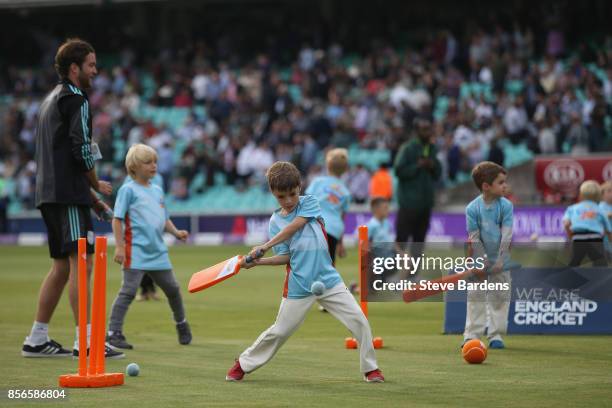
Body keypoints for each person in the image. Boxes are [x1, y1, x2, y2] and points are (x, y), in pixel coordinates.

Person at [225, 161, 384, 383]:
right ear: (272, 193)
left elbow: (296, 225)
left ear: (299, 187)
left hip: (328, 280)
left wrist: (264, 246)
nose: (289, 201)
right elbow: (286, 257)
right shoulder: (274, 221)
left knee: (359, 320)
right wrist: (259, 262)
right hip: (299, 284)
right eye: (282, 196)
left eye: (292, 193)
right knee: (280, 331)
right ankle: (242, 364)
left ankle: (371, 369)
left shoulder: (309, 203)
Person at [22, 38, 123, 359]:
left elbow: (61, 154)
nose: (96, 71)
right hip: (67, 196)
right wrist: (95, 184)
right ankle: (87, 341)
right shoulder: (76, 99)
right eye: (91, 65)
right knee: (84, 262)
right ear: (74, 68)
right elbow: (81, 151)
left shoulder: (49, 100)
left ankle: (37, 339)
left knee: (61, 268)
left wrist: (92, 200)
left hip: (49, 195)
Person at [107, 144, 192, 349]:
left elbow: (164, 218)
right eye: (148, 162)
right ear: (134, 167)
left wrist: (176, 232)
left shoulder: (157, 190)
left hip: (158, 251)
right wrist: (119, 247)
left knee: (173, 289)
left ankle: (181, 324)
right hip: (135, 251)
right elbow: (117, 220)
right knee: (128, 291)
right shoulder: (127, 190)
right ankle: (113, 333)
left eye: (155, 162)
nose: (153, 166)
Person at [463, 161, 513, 350]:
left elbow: (507, 234)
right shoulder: (472, 208)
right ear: (486, 186)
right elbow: (474, 237)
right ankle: (471, 335)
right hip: (478, 257)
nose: (505, 186)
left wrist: (500, 259)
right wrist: (481, 260)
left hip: (501, 258)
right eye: (500, 183)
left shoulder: (506, 206)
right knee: (475, 295)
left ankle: (495, 334)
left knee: (500, 295)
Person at [393, 117, 441, 263]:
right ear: (417, 131)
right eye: (424, 129)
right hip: (408, 204)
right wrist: (417, 166)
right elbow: (398, 170)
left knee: (419, 241)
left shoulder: (432, 149)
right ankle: (389, 273)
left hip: (425, 204)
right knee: (401, 240)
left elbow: (438, 174)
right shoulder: (408, 148)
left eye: (429, 129)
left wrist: (432, 165)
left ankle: (413, 276)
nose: (428, 132)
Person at [305, 148, 351, 264]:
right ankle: (332, 282)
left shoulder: (317, 182)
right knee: (329, 263)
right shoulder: (345, 192)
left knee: (312, 262)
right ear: (345, 169)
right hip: (334, 230)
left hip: (316, 226)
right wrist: (341, 243)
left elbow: (306, 202)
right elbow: (342, 218)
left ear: (327, 165)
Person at [563, 181, 610, 267]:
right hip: (595, 238)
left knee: (574, 263)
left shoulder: (572, 208)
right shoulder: (600, 210)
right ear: (599, 196)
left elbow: (566, 224)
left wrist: (571, 236)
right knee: (601, 264)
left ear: (581, 195)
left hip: (578, 238)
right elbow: (608, 229)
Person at [599, 181, 612, 260]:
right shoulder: (601, 206)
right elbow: (603, 216)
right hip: (605, 242)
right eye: (609, 191)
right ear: (602, 194)